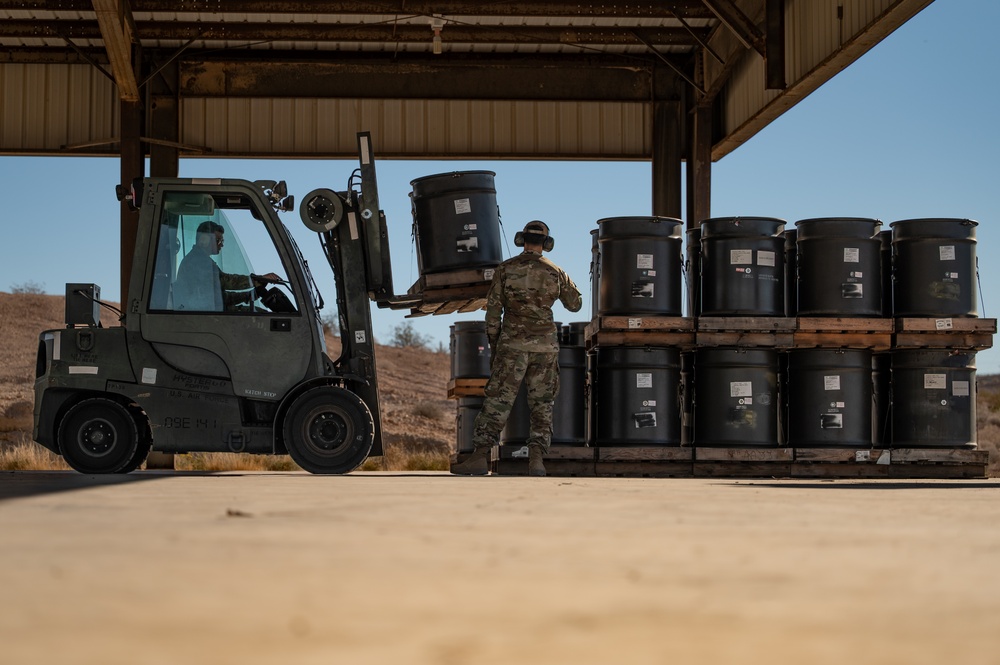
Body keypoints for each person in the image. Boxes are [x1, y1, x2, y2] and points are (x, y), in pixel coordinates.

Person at [451, 220, 582, 476]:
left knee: (498, 401)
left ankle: (479, 458)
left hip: (512, 345)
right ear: (546, 244)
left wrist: (495, 343)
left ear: (521, 240)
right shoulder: (556, 271)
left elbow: (493, 311)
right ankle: (536, 461)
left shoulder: (505, 269)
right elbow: (574, 305)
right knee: (542, 404)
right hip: (545, 347)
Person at [174, 221, 281, 312]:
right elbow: (226, 281)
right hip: (204, 317)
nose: (221, 244)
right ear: (204, 240)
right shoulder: (197, 262)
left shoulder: (201, 261)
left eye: (222, 241)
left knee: (258, 312)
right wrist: (256, 280)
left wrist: (251, 294)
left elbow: (221, 298)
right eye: (218, 240)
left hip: (209, 312)